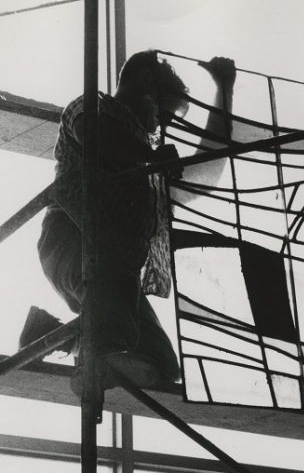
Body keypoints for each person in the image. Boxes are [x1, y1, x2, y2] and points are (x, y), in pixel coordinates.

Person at [20, 49, 236, 393]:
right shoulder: (91, 106)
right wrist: (149, 158)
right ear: (144, 82)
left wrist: (224, 93)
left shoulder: (144, 153)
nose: (159, 126)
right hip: (75, 239)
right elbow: (98, 138)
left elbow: (202, 177)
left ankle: (49, 335)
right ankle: (96, 359)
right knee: (112, 337)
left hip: (117, 260)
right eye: (161, 112)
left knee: (160, 363)